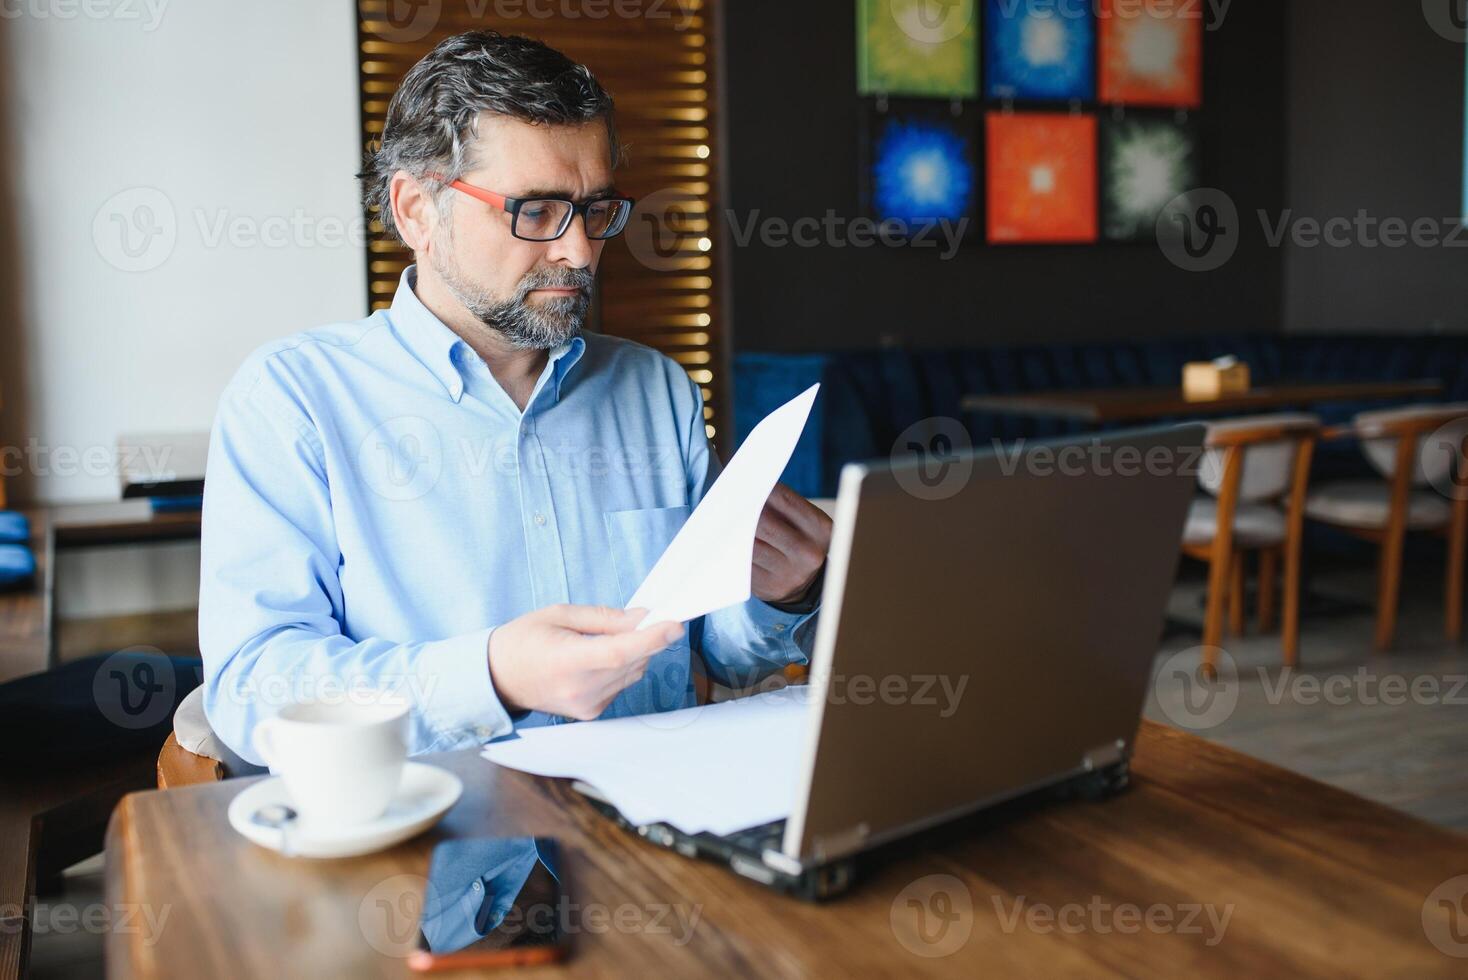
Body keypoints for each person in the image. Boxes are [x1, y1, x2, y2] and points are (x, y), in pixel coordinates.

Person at [198, 31, 832, 765]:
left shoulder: (657, 391)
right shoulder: (293, 401)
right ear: (416, 212)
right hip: (428, 861)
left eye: (595, 211)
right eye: (535, 212)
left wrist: (783, 594)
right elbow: (252, 691)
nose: (580, 251)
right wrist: (492, 676)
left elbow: (713, 653)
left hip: (650, 846)